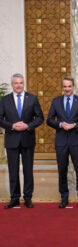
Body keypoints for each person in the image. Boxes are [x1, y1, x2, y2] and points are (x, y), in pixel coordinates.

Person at [0, 73, 44, 209]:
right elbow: (0, 118)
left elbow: (40, 118)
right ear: (12, 84)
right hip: (12, 139)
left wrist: (28, 126)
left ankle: (28, 197)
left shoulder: (32, 98)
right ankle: (14, 198)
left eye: (20, 83)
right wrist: (11, 126)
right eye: (16, 83)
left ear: (23, 84)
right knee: (13, 170)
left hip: (27, 139)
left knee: (28, 170)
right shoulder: (5, 100)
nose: (18, 85)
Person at [47, 76, 78, 208]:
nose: (67, 89)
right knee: (62, 169)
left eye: (69, 86)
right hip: (61, 141)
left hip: (76, 140)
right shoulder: (56, 101)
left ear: (73, 87)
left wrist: (75, 125)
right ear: (62, 88)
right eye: (65, 86)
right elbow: (49, 120)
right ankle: (64, 197)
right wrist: (60, 124)